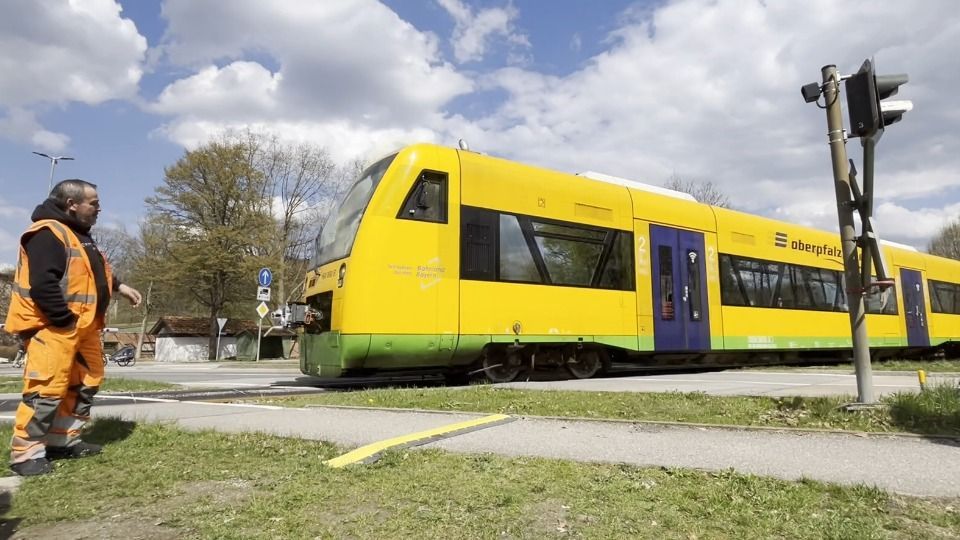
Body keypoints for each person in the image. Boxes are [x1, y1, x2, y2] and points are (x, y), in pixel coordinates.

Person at [4, 179, 142, 476]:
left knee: (84, 383)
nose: (99, 208)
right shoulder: (47, 233)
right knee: (47, 389)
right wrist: (63, 320)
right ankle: (26, 454)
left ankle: (62, 441)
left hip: (83, 328)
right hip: (53, 328)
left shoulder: (78, 235)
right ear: (71, 204)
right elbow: (43, 284)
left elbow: (92, 273)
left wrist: (120, 286)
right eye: (93, 203)